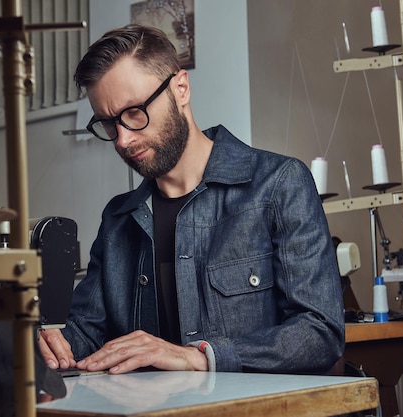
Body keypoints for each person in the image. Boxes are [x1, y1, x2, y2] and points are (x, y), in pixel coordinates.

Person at [38, 24, 345, 375]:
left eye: (135, 112)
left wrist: (199, 357)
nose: (122, 139)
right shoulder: (118, 220)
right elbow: (85, 333)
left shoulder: (279, 185)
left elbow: (320, 332)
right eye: (108, 124)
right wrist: (48, 341)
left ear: (180, 88)